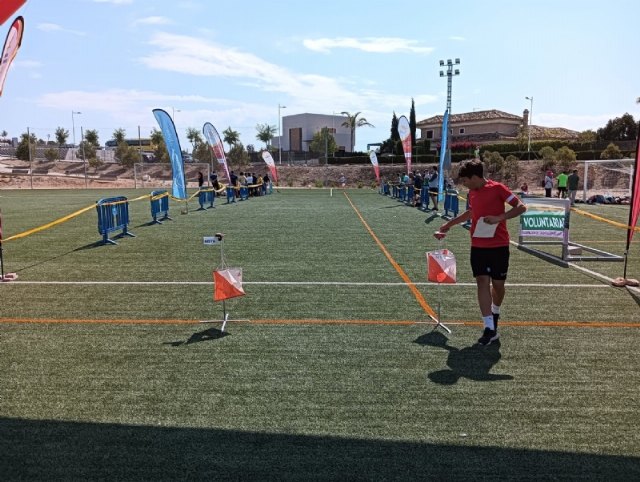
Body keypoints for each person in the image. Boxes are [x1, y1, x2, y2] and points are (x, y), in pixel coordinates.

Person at [434, 159, 527, 346]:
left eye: (465, 180)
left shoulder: (498, 189)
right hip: (477, 246)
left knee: (498, 286)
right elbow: (471, 212)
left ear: (475, 177)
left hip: (499, 246)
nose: (464, 184)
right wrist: (447, 225)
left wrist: (499, 218)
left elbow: (521, 207)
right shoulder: (472, 193)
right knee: (482, 282)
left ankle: (495, 310)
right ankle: (489, 327)